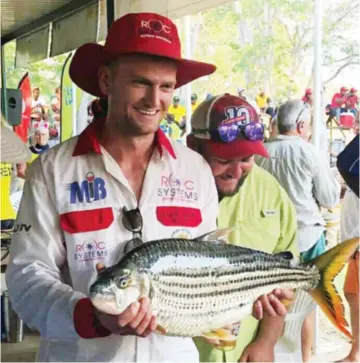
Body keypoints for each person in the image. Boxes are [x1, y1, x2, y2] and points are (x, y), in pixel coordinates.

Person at [5, 13, 289, 362]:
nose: (154, 99)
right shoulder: (53, 170)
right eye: (141, 83)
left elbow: (208, 272)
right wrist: (91, 316)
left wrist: (247, 296)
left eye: (166, 86)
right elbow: (26, 276)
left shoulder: (194, 169)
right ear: (107, 81)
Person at [187, 94, 298, 362]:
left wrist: (266, 342)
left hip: (246, 351)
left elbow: (287, 279)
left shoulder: (272, 193)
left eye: (246, 159)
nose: (236, 171)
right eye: (223, 160)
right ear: (192, 146)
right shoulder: (166, 187)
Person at [256, 99, 340, 362]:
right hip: (308, 239)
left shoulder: (260, 152)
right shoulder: (309, 152)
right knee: (306, 307)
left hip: (270, 243)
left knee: (269, 304)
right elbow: (329, 198)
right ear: (301, 125)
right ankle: (305, 358)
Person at [336, 129, 359, 363]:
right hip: (354, 242)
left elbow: (345, 162)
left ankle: (356, 352)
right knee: (352, 295)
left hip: (358, 243)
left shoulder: (353, 165)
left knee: (356, 298)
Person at [1, 122, 32, 230]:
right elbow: (21, 171)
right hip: (8, 215)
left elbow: (21, 171)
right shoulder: (10, 152)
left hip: (7, 215)